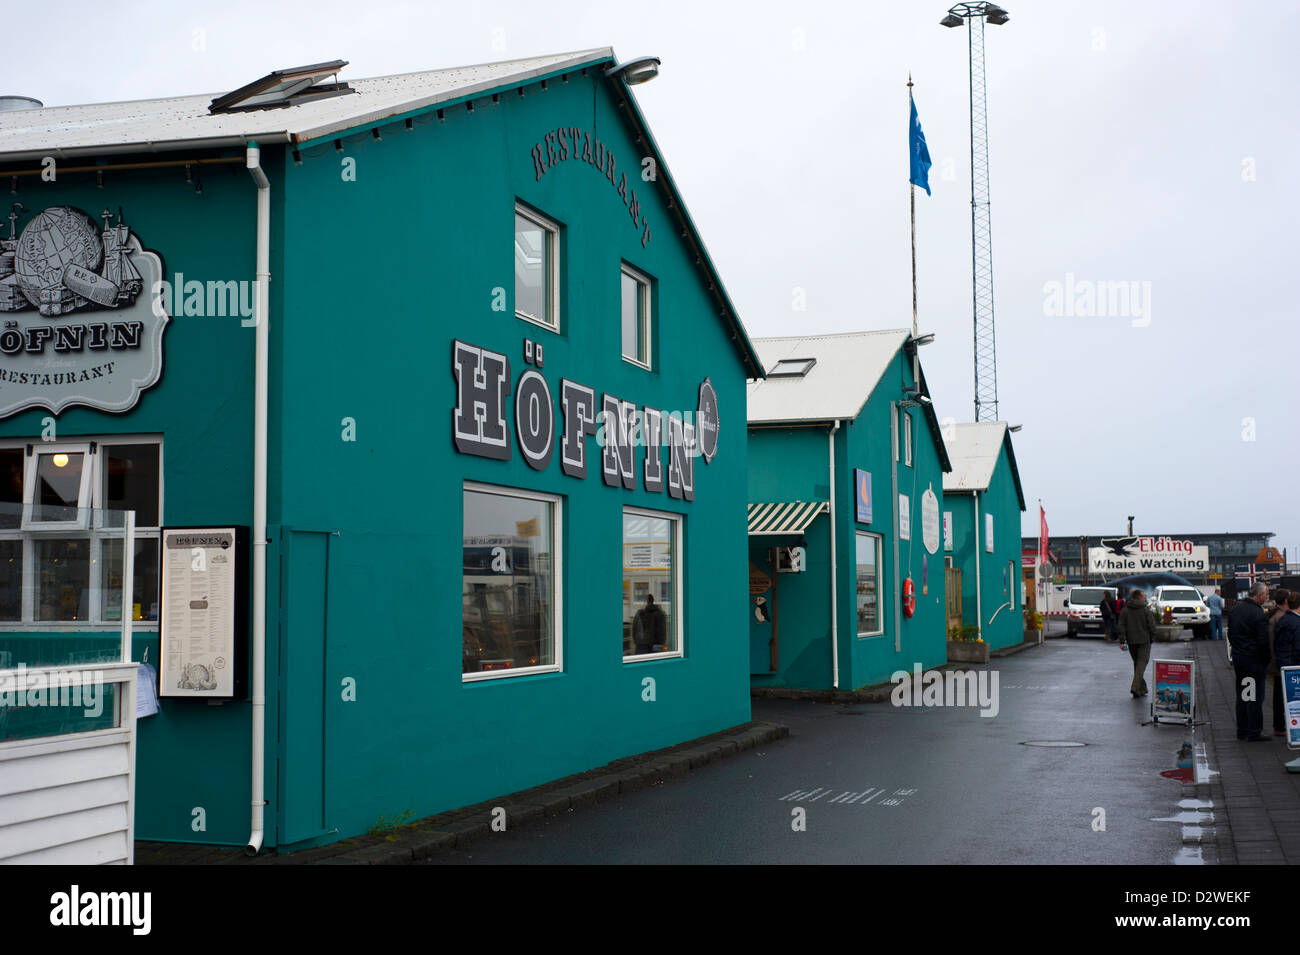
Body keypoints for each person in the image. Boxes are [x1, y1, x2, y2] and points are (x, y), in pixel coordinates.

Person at [1227, 582, 1272, 741]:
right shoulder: (1258, 613)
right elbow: (1263, 641)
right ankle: (1254, 731)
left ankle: (1243, 729)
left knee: (1243, 694)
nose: (1267, 597)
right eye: (1266, 595)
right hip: (1254, 660)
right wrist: (1266, 660)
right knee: (1254, 696)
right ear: (1259, 595)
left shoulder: (1235, 610)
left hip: (1240, 658)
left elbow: (1230, 634)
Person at [1118, 589, 1157, 697]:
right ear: (1139, 597)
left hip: (1131, 641)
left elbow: (1121, 626)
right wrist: (1153, 637)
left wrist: (1122, 640)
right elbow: (1152, 625)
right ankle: (1135, 687)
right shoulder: (1145, 609)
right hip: (1144, 640)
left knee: (1137, 664)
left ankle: (1142, 689)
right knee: (1142, 663)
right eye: (1144, 596)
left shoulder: (1125, 610)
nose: (1145, 598)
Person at [1274, 592, 1300, 738]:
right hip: (1294, 666)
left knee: (1283, 699)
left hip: (1284, 665)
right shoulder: (1296, 623)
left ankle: (1284, 727)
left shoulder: (1283, 620)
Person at [1268, 589, 1290, 736]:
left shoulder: (1273, 616)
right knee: (1285, 695)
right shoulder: (1283, 618)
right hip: (1284, 661)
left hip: (1275, 661)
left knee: (1278, 694)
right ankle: (1283, 725)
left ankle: (1279, 725)